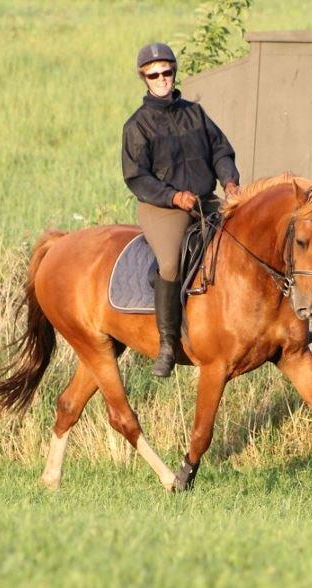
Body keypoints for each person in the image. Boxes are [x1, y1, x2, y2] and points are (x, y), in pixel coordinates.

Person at [122, 42, 240, 377]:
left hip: (205, 201)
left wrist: (229, 182)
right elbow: (136, 177)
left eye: (167, 72)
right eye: (154, 74)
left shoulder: (195, 113)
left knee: (245, 237)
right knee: (171, 264)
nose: (161, 79)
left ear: (175, 72)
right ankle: (168, 344)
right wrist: (173, 198)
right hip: (163, 208)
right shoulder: (137, 126)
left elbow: (220, 150)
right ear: (144, 78)